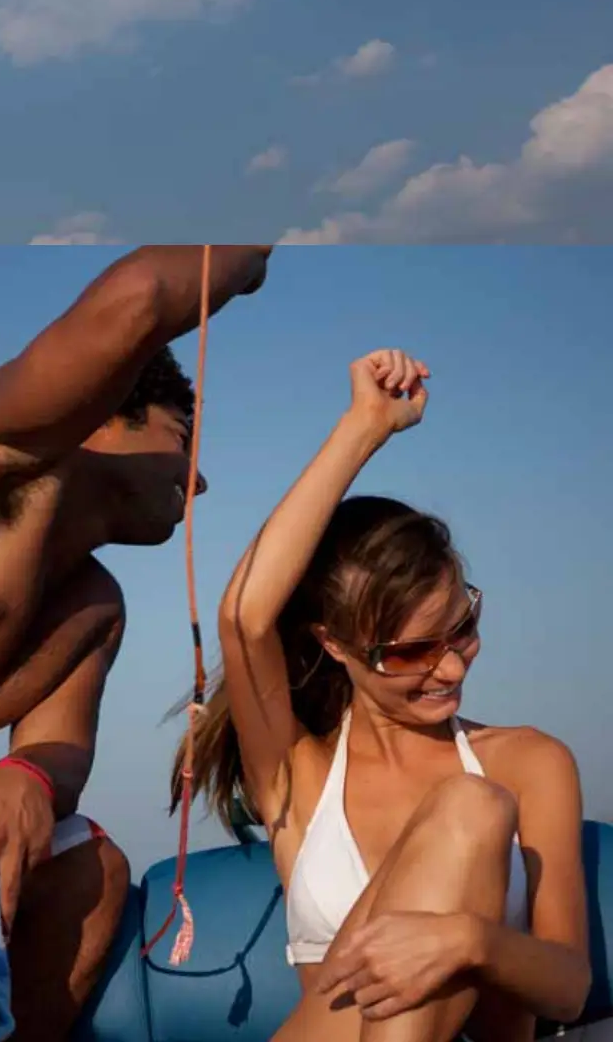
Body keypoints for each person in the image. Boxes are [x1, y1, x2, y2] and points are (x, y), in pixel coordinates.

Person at [0, 244, 273, 1042]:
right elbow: (138, 298)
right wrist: (253, 245)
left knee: (90, 869)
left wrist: (26, 775)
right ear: (105, 407)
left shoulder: (94, 606)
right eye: (183, 436)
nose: (198, 478)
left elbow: (59, 747)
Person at [173, 348, 590, 1041]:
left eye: (463, 629)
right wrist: (364, 426)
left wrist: (467, 941)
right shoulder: (296, 778)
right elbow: (245, 615)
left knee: (473, 806)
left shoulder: (530, 764)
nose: (450, 668)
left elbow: (569, 987)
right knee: (470, 806)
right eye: (410, 652)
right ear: (335, 645)